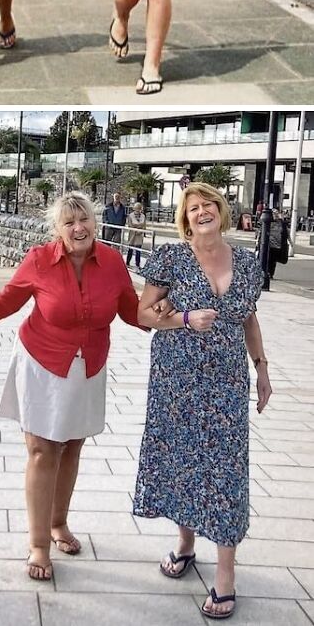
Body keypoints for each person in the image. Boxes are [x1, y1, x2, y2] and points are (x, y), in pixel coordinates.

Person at [0, 192, 156, 580]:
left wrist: (175, 315)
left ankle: (58, 523)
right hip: (41, 363)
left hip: (88, 366)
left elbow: (131, 310)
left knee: (72, 445)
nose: (78, 228)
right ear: (57, 229)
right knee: (43, 451)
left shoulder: (112, 262)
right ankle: (38, 545)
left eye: (84, 219)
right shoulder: (39, 259)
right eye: (69, 222)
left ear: (95, 221)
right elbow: (5, 301)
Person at [133, 182, 271, 621]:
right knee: (183, 460)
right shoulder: (170, 258)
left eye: (209, 203)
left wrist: (262, 368)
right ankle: (186, 543)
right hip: (176, 379)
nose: (202, 210)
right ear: (186, 219)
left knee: (227, 468)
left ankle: (226, 573)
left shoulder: (246, 262)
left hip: (227, 381)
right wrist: (186, 318)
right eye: (193, 207)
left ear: (221, 210)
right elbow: (143, 313)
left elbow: (248, 318)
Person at [257, 207, 292, 279]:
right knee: (267, 259)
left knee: (273, 261)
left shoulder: (282, 223)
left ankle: (270, 274)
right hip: (268, 244)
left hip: (277, 245)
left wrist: (290, 242)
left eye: (276, 213)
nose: (275, 215)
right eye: (274, 214)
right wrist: (257, 242)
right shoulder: (267, 221)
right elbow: (260, 232)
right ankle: (265, 273)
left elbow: (286, 233)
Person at [126, 201, 146, 270]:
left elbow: (144, 225)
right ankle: (127, 262)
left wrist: (141, 231)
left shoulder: (143, 216)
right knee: (130, 249)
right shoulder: (131, 215)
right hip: (132, 234)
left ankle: (137, 264)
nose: (138, 210)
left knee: (138, 250)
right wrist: (136, 229)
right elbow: (130, 225)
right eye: (137, 209)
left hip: (140, 235)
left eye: (139, 209)